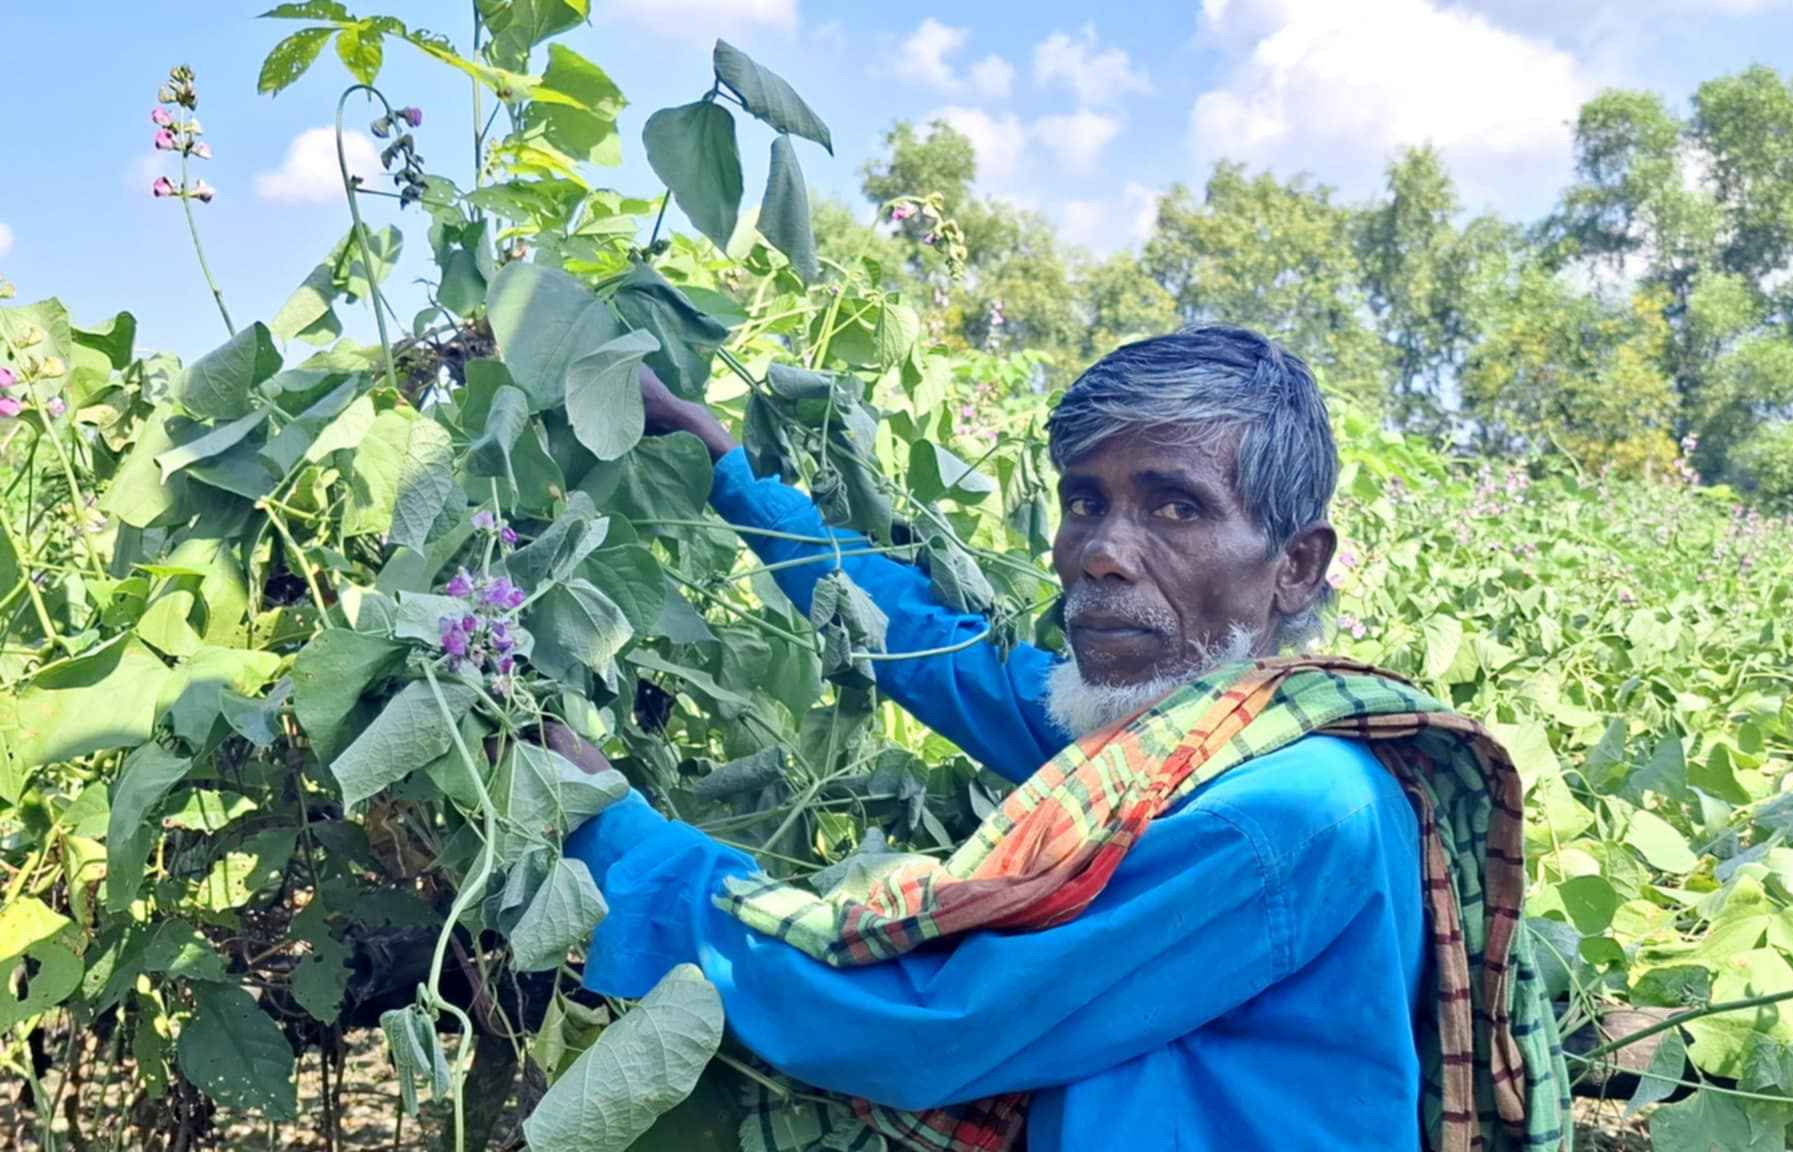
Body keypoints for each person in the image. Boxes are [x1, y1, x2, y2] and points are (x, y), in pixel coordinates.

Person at [556, 326, 1569, 1152]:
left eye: (1175, 506)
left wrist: (620, 837)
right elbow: (926, 646)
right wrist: (728, 467)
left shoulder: (1285, 810)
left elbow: (922, 1020)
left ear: (1295, 566)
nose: (1101, 553)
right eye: (1085, 501)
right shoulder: (1186, 737)